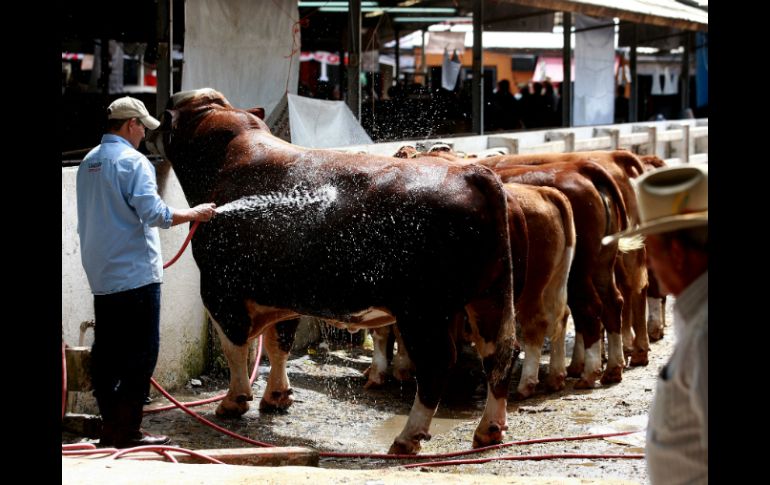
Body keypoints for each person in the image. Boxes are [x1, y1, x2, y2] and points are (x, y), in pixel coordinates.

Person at [76, 96, 217, 448]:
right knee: (141, 355)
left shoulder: (89, 162)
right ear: (130, 125)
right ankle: (129, 433)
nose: (144, 136)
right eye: (142, 127)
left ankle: (111, 429)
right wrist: (193, 213)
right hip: (136, 276)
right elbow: (156, 214)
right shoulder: (133, 162)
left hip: (102, 275)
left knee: (107, 354)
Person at [602, 164, 708, 484]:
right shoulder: (696, 315)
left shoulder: (705, 334)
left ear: (676, 252)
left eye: (651, 249)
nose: (646, 262)